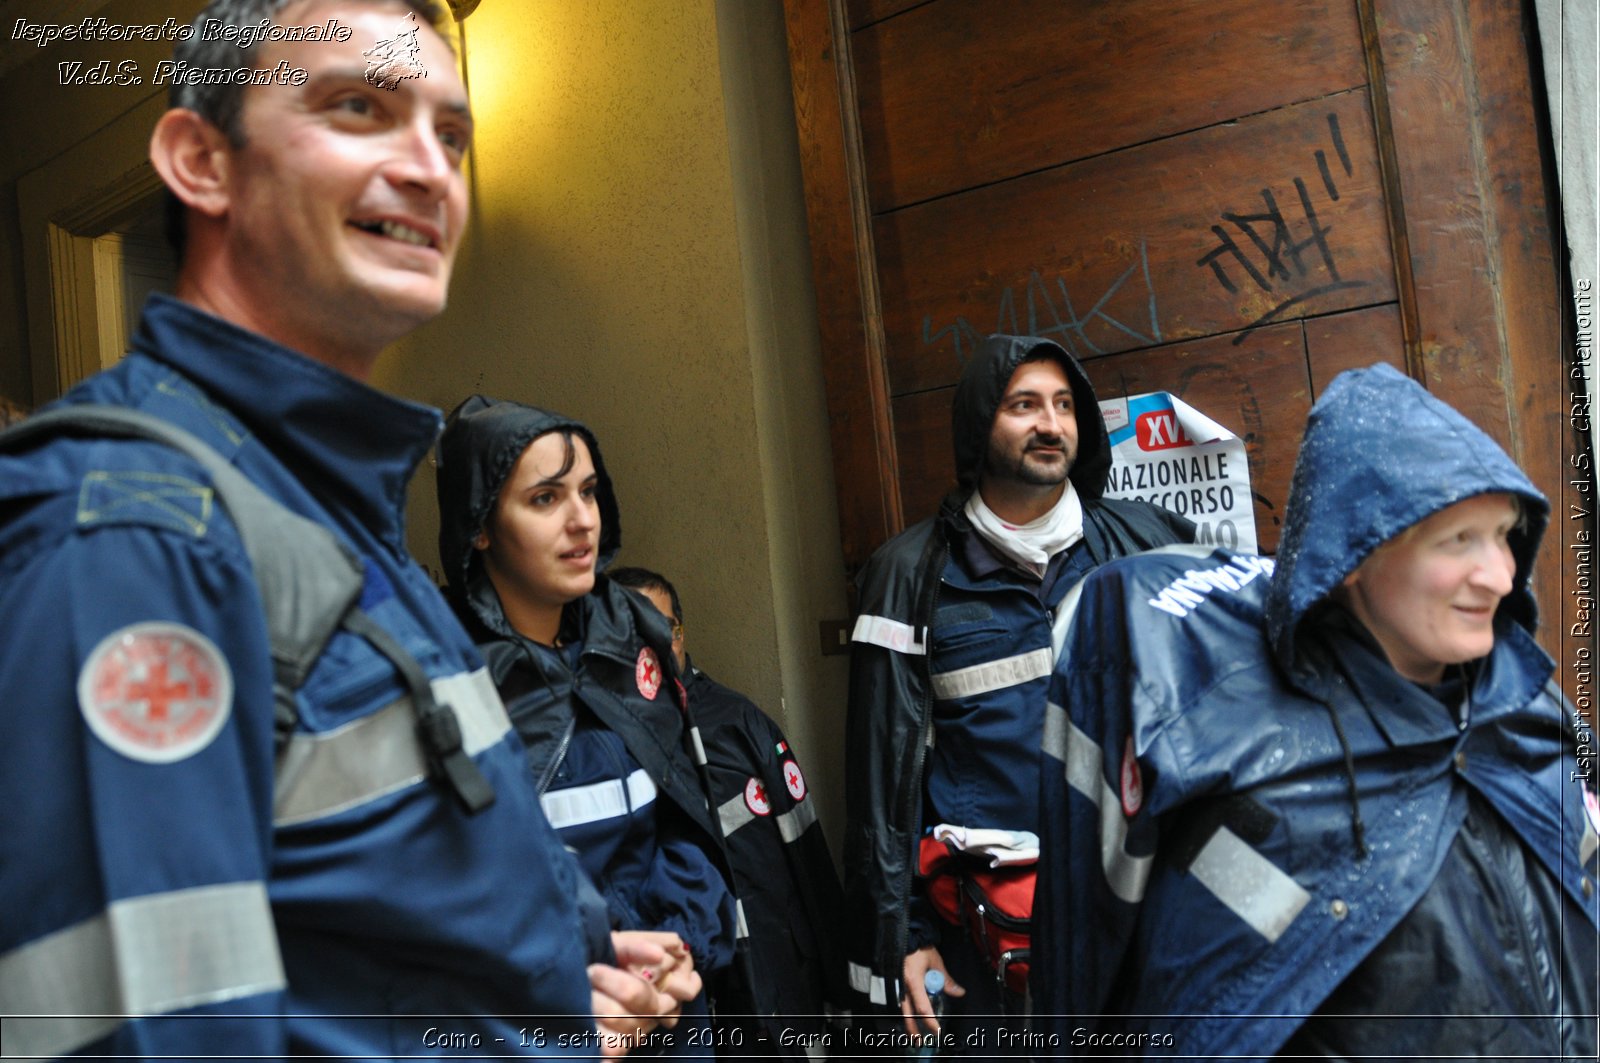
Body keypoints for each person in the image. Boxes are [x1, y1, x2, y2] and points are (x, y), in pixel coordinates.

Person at [0, 1, 678, 1056]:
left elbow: (379, 928)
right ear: (203, 161)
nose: (429, 169)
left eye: (450, 134)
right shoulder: (138, 535)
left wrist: (568, 982)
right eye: (358, 108)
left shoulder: (337, 514)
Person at [1032, 363, 1599, 1059]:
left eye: (1505, 534)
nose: (1501, 574)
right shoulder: (1233, 745)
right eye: (1459, 540)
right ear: (1352, 552)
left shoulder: (1529, 705)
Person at [843, 333, 1194, 1040]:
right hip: (987, 941)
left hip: (1134, 909)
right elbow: (881, 778)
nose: (1050, 423)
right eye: (1024, 404)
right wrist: (906, 937)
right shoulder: (907, 576)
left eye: (1065, 405)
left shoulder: (1146, 541)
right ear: (981, 425)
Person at [435, 397, 739, 1056]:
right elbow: (448, 899)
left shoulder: (631, 639)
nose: (582, 522)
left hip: (670, 1005)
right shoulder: (444, 677)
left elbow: (687, 823)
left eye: (590, 492)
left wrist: (674, 954)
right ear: (480, 526)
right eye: (545, 499)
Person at [611, 566, 850, 1053]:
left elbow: (811, 864)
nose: (653, 647)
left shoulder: (740, 726)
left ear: (681, 634)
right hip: (667, 1008)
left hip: (773, 985)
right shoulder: (598, 750)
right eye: (633, 633)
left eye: (666, 630)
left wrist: (841, 993)